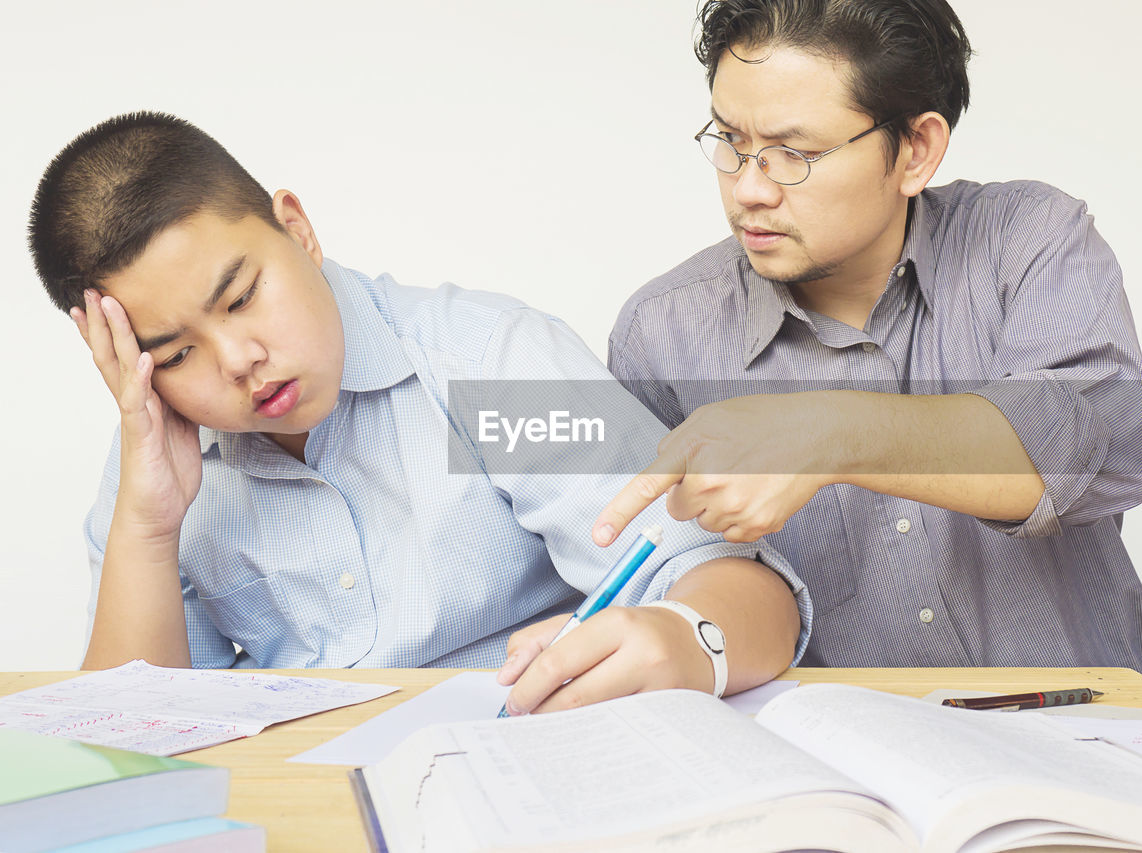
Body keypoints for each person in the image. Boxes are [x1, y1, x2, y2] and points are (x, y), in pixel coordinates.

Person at [27, 111, 809, 716]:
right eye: (172, 354)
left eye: (240, 297)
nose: (236, 360)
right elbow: (134, 738)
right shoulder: (155, 470)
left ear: (297, 229)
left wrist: (686, 635)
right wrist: (149, 527)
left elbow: (749, 594)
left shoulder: (486, 370)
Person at [598, 0, 1142, 691]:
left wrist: (824, 432)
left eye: (794, 153)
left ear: (916, 150)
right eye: (730, 140)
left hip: (1107, 744)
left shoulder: (1027, 239)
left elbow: (1088, 446)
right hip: (847, 780)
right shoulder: (660, 335)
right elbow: (667, 581)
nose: (749, 188)